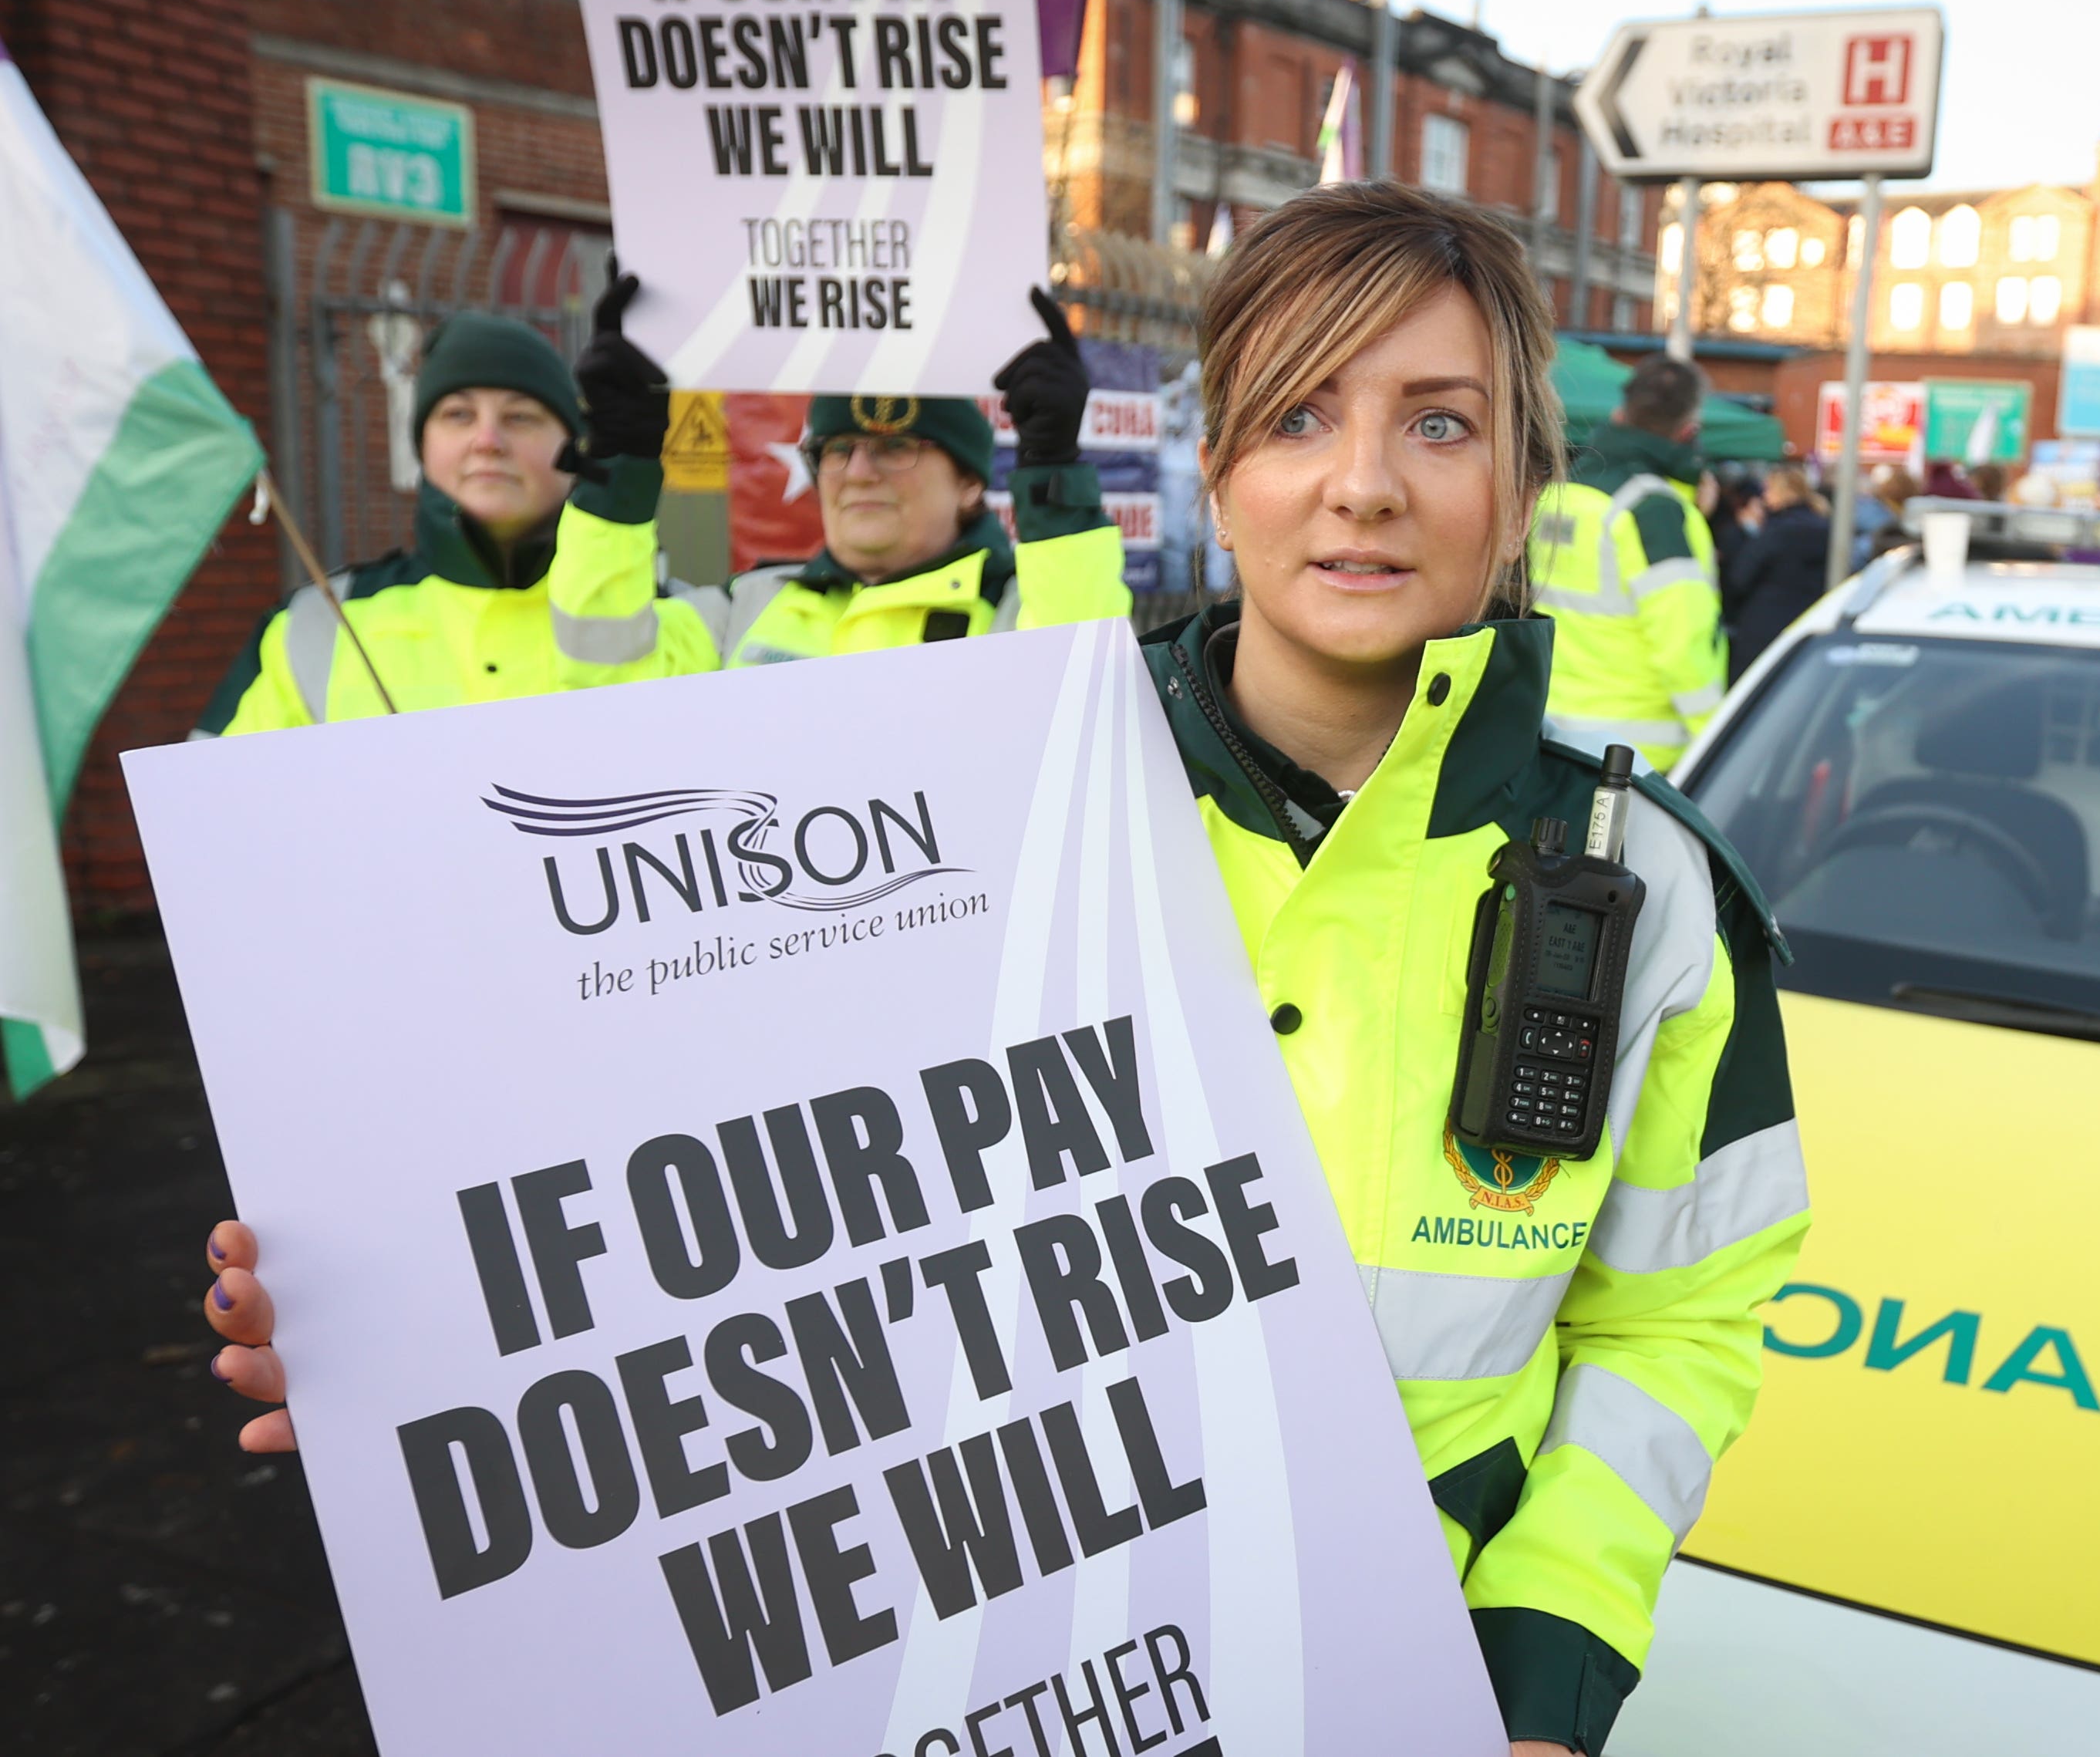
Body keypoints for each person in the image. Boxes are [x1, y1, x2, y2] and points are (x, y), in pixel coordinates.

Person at [201, 180, 1808, 1757]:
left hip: (1408, 1683)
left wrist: (1545, 1681)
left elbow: (1675, 1324)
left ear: (1527, 483)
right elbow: (722, 1145)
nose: (1365, 484)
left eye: (1441, 423)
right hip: (972, 1654)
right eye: (1301, 415)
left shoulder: (1650, 892)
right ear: (1221, 463)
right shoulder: (992, 802)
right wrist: (420, 1336)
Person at [193, 278, 680, 732]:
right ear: (422, 447)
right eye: (458, 415)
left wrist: (620, 485)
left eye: (522, 417)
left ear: (576, 445)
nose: (488, 440)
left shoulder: (669, 614)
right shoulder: (315, 626)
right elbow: (211, 811)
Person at [548, 289, 1128, 667]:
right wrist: (620, 463)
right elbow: (599, 665)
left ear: (971, 482)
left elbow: (1084, 684)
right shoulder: (740, 608)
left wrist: (1053, 468)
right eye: (835, 449)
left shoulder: (1019, 615)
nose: (857, 473)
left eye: (896, 447)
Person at [1525, 356, 1728, 771]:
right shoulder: (1653, 512)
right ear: (1689, 431)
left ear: (1621, 413)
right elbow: (1683, 644)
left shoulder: (1561, 494)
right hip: (1641, 760)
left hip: (1553, 740)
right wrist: (1720, 744)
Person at [1722, 464, 1833, 680]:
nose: (1763, 497)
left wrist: (1743, 534)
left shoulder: (1776, 533)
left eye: (1768, 490)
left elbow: (1739, 578)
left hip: (1762, 631)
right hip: (1809, 627)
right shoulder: (1826, 529)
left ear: (1781, 493)